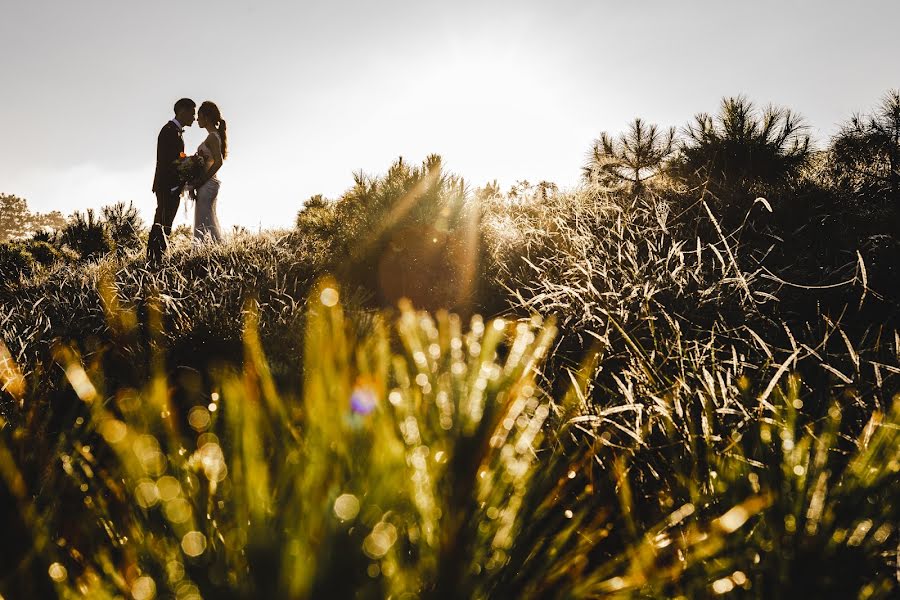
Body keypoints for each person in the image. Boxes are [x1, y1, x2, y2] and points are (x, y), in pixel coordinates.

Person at [149, 98, 195, 264]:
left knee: (166, 224)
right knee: (161, 222)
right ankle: (153, 259)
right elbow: (169, 161)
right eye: (192, 113)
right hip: (167, 185)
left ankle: (157, 259)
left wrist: (187, 160)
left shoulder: (174, 131)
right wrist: (188, 164)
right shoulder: (169, 130)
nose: (194, 118)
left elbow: (177, 157)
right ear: (182, 111)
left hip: (172, 186)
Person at [191, 101, 226, 242]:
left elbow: (219, 161)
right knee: (205, 217)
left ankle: (209, 249)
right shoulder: (213, 135)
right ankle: (209, 250)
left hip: (207, 183)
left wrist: (201, 180)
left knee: (204, 219)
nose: (197, 119)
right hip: (206, 183)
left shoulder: (212, 136)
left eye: (199, 116)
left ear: (206, 117)